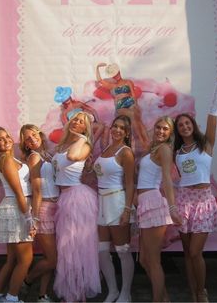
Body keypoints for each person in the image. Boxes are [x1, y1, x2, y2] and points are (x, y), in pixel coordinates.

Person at [173, 71, 217, 302]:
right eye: (180, 125)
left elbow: (213, 113)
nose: (184, 126)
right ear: (177, 130)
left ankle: (202, 291)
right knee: (187, 253)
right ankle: (193, 292)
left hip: (204, 201)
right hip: (183, 200)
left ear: (192, 125)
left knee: (196, 251)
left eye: (187, 123)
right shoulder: (175, 151)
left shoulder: (206, 144)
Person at [52, 111, 101, 302]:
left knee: (76, 247)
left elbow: (72, 157)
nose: (76, 122)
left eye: (81, 122)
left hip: (77, 199)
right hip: (64, 197)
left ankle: (78, 295)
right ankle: (71, 292)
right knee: (66, 248)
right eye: (75, 120)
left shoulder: (85, 145)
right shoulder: (61, 145)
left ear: (85, 128)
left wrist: (82, 138)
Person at [136, 116, 182, 302]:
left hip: (153, 203)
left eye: (165, 129)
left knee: (153, 261)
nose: (160, 131)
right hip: (144, 203)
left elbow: (167, 180)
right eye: (158, 127)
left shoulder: (164, 149)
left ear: (170, 133)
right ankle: (165, 299)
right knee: (144, 260)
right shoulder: (153, 148)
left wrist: (172, 207)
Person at [0, 127, 35, 303]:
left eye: (7, 136)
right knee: (26, 259)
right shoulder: (7, 160)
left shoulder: (9, 158)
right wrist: (29, 218)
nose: (6, 140)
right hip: (18, 208)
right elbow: (18, 192)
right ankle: (12, 298)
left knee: (12, 260)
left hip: (14, 208)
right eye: (0, 139)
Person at [93, 115, 135, 303]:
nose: (117, 130)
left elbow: (130, 183)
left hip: (117, 202)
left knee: (122, 250)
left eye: (122, 128)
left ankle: (126, 292)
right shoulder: (106, 149)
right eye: (115, 126)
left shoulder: (126, 152)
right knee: (102, 250)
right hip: (101, 203)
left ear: (126, 133)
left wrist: (127, 210)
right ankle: (113, 291)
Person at [19, 124, 59, 302]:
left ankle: (42, 295)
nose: (32, 138)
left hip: (57, 208)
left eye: (34, 134)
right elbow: (37, 191)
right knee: (52, 259)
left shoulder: (48, 155)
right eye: (28, 138)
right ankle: (26, 281)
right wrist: (34, 219)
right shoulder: (34, 158)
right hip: (44, 210)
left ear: (40, 135)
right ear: (26, 145)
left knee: (50, 257)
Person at [96, 63, 149, 149]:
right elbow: (100, 81)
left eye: (117, 74)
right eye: (114, 75)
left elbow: (133, 95)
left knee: (138, 120)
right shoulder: (112, 86)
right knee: (133, 116)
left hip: (130, 102)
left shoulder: (128, 82)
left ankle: (147, 143)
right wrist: (97, 67)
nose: (116, 76)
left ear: (119, 72)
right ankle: (141, 142)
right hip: (121, 106)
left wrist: (136, 105)